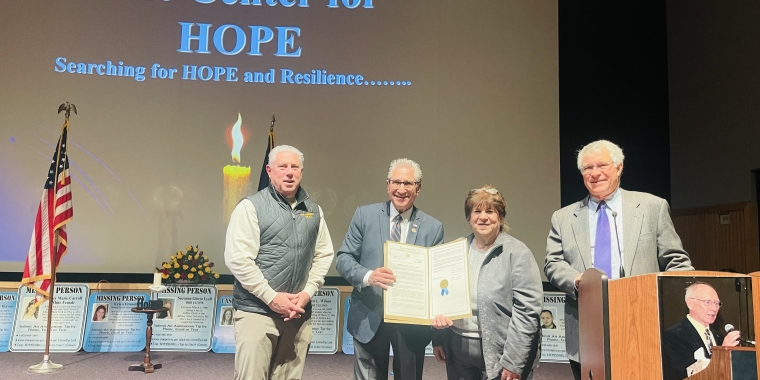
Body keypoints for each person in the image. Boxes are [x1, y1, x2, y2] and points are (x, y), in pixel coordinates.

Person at [544, 139, 694, 380]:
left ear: (619, 167)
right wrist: (576, 280)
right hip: (587, 326)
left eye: (601, 165)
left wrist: (689, 293)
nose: (594, 173)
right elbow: (553, 262)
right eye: (587, 168)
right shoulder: (563, 217)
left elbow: (676, 259)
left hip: (642, 320)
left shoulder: (651, 207)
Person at [224, 145, 334, 380]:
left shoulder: (314, 211)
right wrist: (272, 298)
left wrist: (307, 293)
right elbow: (238, 258)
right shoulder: (250, 207)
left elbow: (324, 254)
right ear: (269, 170)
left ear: (302, 172)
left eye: (295, 167)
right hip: (257, 312)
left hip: (297, 315)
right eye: (282, 166)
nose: (289, 172)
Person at [336, 158, 444, 380]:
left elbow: (438, 277)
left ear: (418, 188)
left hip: (412, 323)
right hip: (369, 315)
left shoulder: (433, 228)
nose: (401, 189)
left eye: (408, 183)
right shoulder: (364, 215)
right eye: (396, 182)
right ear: (387, 185)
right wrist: (368, 276)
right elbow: (343, 258)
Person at [431, 185, 542, 380]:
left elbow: (528, 312)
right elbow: (441, 298)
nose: (483, 217)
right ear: (469, 217)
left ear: (500, 216)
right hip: (458, 353)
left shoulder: (517, 253)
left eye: (490, 211)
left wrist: (514, 362)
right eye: (477, 211)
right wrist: (438, 338)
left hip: (502, 355)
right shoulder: (454, 251)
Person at [663, 282, 740, 379]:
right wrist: (722, 353)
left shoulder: (720, 337)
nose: (714, 308)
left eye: (717, 303)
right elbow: (688, 373)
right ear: (690, 303)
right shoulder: (674, 336)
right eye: (707, 302)